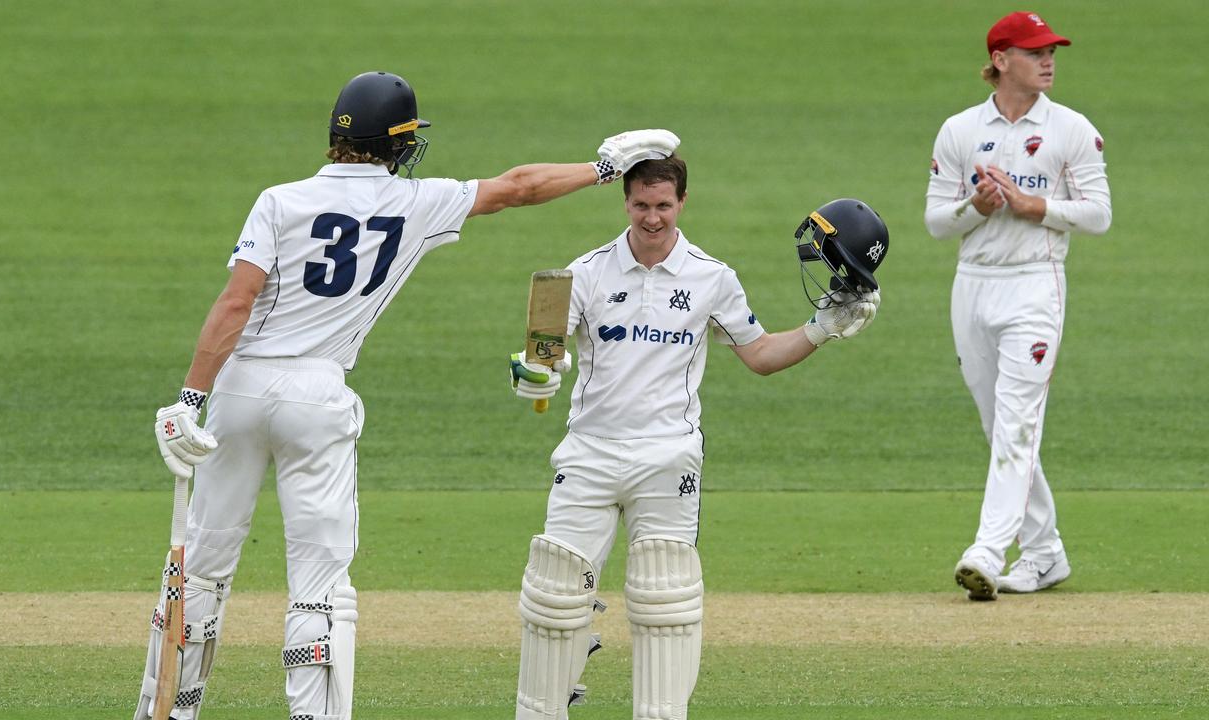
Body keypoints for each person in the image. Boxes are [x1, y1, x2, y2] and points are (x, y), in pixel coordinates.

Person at [133, 69, 680, 720]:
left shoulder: (278, 200)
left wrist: (189, 401)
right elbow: (517, 188)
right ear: (395, 144)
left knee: (201, 569)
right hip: (317, 396)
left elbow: (235, 302)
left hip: (240, 389)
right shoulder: (415, 202)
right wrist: (601, 166)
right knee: (318, 584)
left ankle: (165, 711)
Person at [507, 156, 887, 720]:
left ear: (681, 202)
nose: (652, 218)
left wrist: (821, 329)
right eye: (641, 205)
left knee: (665, 603)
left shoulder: (712, 277)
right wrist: (539, 367)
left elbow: (758, 356)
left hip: (668, 458)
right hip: (589, 453)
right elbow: (545, 345)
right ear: (626, 202)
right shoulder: (585, 272)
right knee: (556, 597)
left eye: (663, 206)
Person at [925, 12, 1112, 601]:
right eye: (1035, 52)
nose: (1049, 60)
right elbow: (935, 222)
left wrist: (1038, 207)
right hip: (973, 283)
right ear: (1001, 60)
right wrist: (977, 207)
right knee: (997, 424)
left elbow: (1099, 214)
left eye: (1052, 51)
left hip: (1036, 283)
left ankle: (986, 549)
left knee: (1017, 423)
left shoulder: (1072, 129)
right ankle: (1045, 553)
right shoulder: (959, 129)